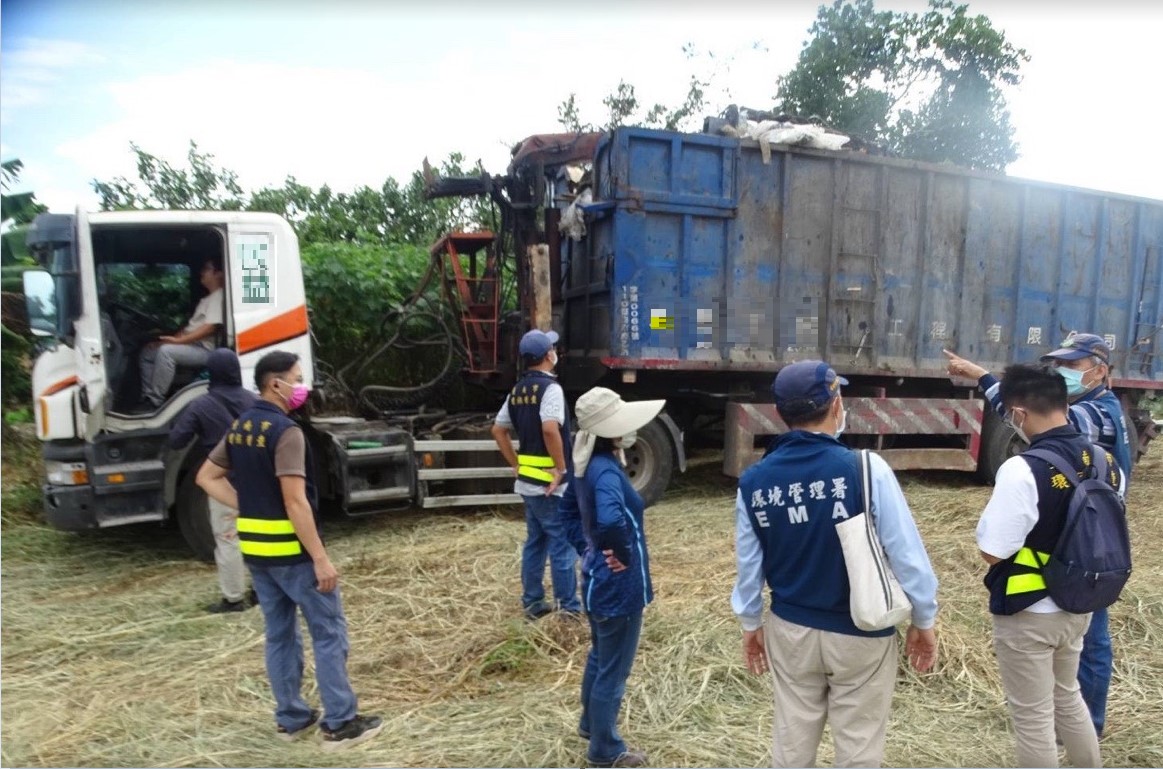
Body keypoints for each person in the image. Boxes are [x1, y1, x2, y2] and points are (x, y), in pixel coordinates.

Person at [732, 360, 939, 768]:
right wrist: (924, 617)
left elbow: (749, 564)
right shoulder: (865, 468)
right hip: (861, 631)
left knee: (792, 741)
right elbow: (905, 553)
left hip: (790, 629)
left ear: (780, 413)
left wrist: (751, 623)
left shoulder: (753, 482)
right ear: (836, 404)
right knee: (859, 746)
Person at [945, 331, 1131, 737]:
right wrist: (982, 375)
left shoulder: (1095, 415)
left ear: (1099, 371)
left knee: (1090, 641)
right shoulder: (1100, 413)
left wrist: (995, 385)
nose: (1062, 372)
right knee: (1081, 644)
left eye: (1072, 365)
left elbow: (1044, 416)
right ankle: (1080, 727)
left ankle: (1086, 722)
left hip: (1080, 547)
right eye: (1058, 365)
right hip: (1092, 535)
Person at [196, 350, 383, 750]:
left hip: (258, 554)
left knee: (280, 635)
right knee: (328, 633)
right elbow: (295, 501)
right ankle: (340, 724)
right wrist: (321, 558)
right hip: (294, 555)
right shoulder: (286, 432)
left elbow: (206, 477)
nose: (302, 388)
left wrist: (246, 504)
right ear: (275, 384)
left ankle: (291, 718)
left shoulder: (241, 427)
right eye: (297, 379)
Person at [975, 363, 1123, 767]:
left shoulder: (1022, 468)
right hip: (1078, 605)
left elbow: (994, 550)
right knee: (1068, 696)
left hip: (1029, 611)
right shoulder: (1105, 461)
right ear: (1065, 405)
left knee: (1033, 716)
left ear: (1018, 413)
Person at [559, 387, 665, 769]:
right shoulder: (604, 470)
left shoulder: (585, 463)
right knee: (614, 671)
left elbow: (567, 512)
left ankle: (591, 724)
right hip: (618, 589)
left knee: (600, 656)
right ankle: (606, 750)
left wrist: (588, 548)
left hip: (595, 581)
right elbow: (609, 520)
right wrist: (619, 555)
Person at [490, 329, 581, 619]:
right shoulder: (550, 389)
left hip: (528, 482)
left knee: (536, 543)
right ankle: (568, 608)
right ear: (547, 355)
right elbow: (550, 429)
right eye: (553, 348)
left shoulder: (516, 391)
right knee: (562, 545)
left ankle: (532, 602)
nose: (556, 352)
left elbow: (498, 430)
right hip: (551, 486)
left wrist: (515, 464)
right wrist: (561, 469)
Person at [168, 348, 258, 613]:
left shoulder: (201, 405)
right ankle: (261, 590)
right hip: (257, 480)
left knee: (229, 537)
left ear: (212, 374)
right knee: (257, 535)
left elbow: (177, 440)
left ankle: (234, 599)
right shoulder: (254, 400)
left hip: (222, 482)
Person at [140, 256, 226, 408]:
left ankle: (155, 400)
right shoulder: (207, 298)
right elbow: (190, 328)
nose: (202, 272)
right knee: (147, 353)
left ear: (218, 274)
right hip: (191, 344)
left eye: (206, 269)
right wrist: (167, 340)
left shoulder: (218, 296)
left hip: (205, 349)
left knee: (166, 352)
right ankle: (147, 396)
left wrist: (178, 342)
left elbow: (210, 327)